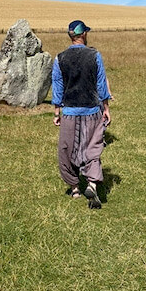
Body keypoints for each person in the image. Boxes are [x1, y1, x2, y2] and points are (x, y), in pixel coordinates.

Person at [52, 20, 112, 209]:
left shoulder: (59, 58)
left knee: (66, 150)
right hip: (92, 110)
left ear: (71, 36)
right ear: (84, 34)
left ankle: (75, 188)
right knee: (92, 148)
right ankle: (92, 183)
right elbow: (101, 83)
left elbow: (58, 85)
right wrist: (106, 107)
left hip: (69, 112)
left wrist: (56, 110)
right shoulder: (95, 55)